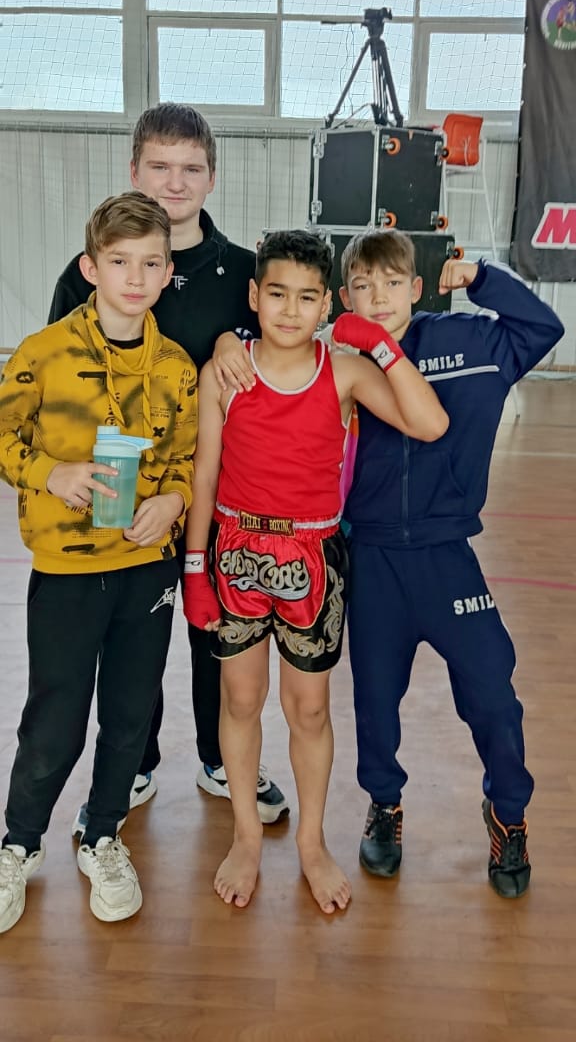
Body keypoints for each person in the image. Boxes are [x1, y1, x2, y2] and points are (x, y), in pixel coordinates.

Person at [182, 230, 448, 914]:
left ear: (327, 304)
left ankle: (310, 841)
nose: (291, 311)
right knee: (240, 701)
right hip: (235, 554)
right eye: (278, 294)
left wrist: (380, 345)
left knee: (308, 709)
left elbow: (429, 423)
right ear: (254, 295)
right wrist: (195, 567)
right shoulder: (226, 372)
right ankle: (246, 835)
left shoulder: (346, 371)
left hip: (314, 558)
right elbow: (204, 474)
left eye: (307, 298)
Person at [49, 102, 288, 828]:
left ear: (212, 177)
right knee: (134, 643)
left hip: (224, 494)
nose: (174, 182)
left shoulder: (246, 273)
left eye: (190, 168)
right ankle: (135, 764)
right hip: (130, 497)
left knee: (220, 634)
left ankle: (222, 760)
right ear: (134, 170)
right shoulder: (90, 273)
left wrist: (236, 340)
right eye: (159, 166)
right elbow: (60, 379)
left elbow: (290, 355)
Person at [337, 229, 564, 898]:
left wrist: (481, 279)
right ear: (346, 298)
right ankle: (384, 803)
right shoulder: (339, 362)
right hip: (373, 558)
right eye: (363, 286)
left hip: (448, 559)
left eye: (391, 283)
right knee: (375, 698)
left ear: (417, 287)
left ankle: (508, 813)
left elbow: (543, 327)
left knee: (492, 689)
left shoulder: (468, 343)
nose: (379, 298)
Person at [0, 192, 197, 933]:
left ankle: (103, 832)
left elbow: (187, 458)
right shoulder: (43, 353)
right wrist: (48, 472)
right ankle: (19, 844)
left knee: (128, 712)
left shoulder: (176, 368)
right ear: (91, 268)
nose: (135, 278)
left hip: (147, 568)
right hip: (67, 570)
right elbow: (2, 434)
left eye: (151, 263)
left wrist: (174, 501)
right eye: (119, 262)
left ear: (168, 271)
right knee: (55, 718)